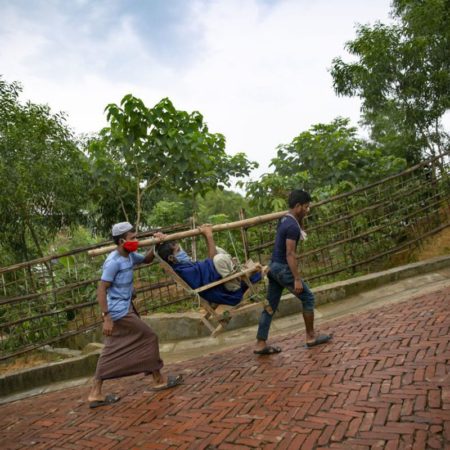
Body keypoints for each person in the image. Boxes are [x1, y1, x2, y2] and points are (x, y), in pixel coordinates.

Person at [87, 222, 183, 409]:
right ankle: (158, 379)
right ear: (122, 241)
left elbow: (146, 259)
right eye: (133, 238)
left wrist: (157, 243)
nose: (136, 241)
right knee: (149, 337)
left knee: (112, 347)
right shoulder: (113, 262)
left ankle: (95, 392)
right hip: (118, 311)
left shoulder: (129, 256)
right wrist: (106, 316)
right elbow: (101, 288)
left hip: (125, 308)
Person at [254, 189, 332, 355]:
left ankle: (261, 343)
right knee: (308, 297)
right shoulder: (292, 226)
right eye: (306, 207)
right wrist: (296, 278)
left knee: (270, 306)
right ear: (298, 206)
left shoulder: (285, 219)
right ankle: (310, 337)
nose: (308, 210)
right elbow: (290, 253)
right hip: (282, 268)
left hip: (273, 267)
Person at [156, 224, 262, 306]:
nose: (183, 251)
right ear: (171, 258)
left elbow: (208, 265)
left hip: (219, 282)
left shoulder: (183, 264)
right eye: (179, 250)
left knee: (218, 250)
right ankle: (239, 278)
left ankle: (238, 271)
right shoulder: (182, 270)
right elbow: (211, 262)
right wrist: (209, 235)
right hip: (221, 290)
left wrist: (206, 236)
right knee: (218, 259)